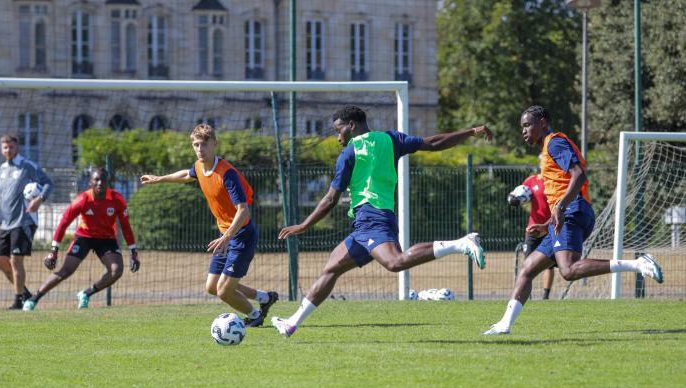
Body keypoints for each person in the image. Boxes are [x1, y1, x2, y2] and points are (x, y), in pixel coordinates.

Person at [271, 105, 493, 338]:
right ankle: (291, 323)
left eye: (339, 131)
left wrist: (303, 225)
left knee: (395, 263)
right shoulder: (392, 139)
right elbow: (434, 142)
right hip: (367, 222)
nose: (338, 138)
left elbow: (330, 199)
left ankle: (461, 244)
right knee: (331, 268)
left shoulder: (349, 153)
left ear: (352, 126)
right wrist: (470, 131)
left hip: (371, 218)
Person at [483, 106, 663, 335]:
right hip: (568, 213)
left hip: (573, 210)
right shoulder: (549, 148)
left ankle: (638, 264)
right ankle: (504, 325)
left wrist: (559, 207)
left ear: (542, 122)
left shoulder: (554, 142)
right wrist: (549, 222)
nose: (524, 131)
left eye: (527, 125)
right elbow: (563, 184)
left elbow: (579, 175)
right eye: (522, 127)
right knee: (527, 269)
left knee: (567, 270)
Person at [139, 124, 278, 327]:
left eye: (204, 144)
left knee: (224, 291)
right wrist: (159, 179)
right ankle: (265, 298)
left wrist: (227, 236)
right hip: (226, 236)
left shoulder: (226, 174)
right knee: (212, 287)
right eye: (196, 144)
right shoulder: (199, 166)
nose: (199, 149)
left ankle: (255, 315)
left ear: (215, 144)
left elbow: (244, 210)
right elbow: (187, 175)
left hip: (241, 236)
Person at [23, 168, 140, 311]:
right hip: (84, 237)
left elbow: (126, 226)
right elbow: (64, 223)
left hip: (107, 239)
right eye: (96, 180)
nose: (100, 183)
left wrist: (133, 252)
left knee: (116, 271)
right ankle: (33, 299)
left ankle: (86, 294)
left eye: (103, 180)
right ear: (90, 182)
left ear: (108, 182)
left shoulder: (117, 199)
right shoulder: (83, 199)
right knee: (66, 271)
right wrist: (54, 250)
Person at [0, 134, 52, 310]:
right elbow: (3, 198)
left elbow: (47, 182)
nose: (8, 150)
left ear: (18, 148)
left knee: (16, 261)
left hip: (24, 221)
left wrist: (40, 199)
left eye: (11, 147)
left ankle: (18, 300)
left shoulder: (27, 165)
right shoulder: (1, 170)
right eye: (5, 147)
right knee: (0, 261)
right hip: (6, 223)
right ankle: (25, 293)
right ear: (1, 150)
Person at [508, 172, 555, 299]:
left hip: (550, 227)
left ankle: (545, 297)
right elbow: (520, 193)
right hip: (533, 228)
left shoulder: (555, 179)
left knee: (549, 264)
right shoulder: (532, 180)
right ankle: (522, 296)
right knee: (528, 264)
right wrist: (514, 198)